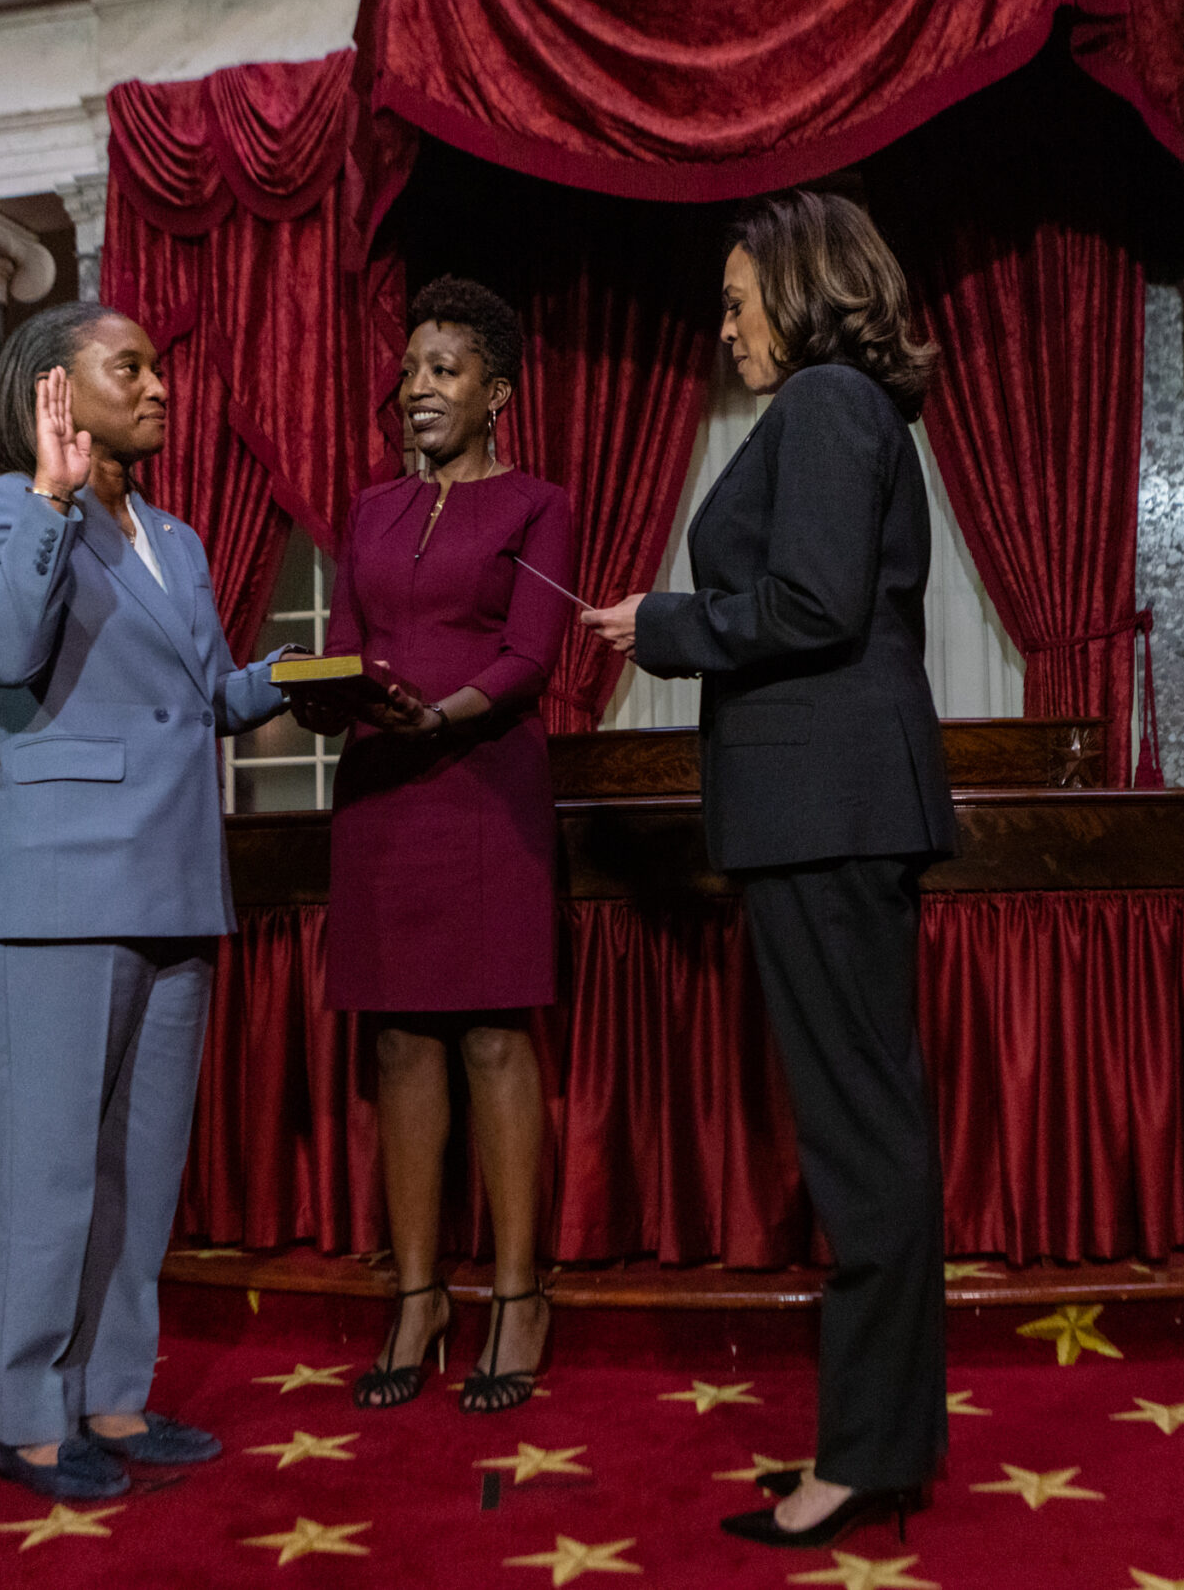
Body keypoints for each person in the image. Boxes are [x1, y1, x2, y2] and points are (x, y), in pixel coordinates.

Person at [580, 191, 955, 1548]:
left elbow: (811, 606)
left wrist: (663, 623)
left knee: (863, 1144)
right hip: (838, 806)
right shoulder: (851, 410)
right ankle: (885, 1440)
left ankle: (864, 1456)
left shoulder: (828, 406)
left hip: (830, 807)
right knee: (874, 1133)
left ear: (799, 294)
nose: (727, 326)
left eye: (740, 302)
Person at [0, 301, 292, 1500]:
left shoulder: (180, 539)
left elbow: (209, 695)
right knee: (52, 1172)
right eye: (129, 368)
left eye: (159, 369)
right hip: (63, 888)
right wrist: (49, 499)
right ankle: (30, 1421)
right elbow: (1, 648)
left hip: (176, 881)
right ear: (55, 389)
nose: (159, 388)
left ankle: (113, 1396)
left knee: (142, 1174)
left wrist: (301, 675)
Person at [301, 275, 573, 1414]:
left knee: (494, 1044)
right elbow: (349, 644)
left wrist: (442, 714)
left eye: (444, 369)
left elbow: (532, 653)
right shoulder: (365, 513)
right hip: (380, 797)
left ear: (496, 393)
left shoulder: (537, 504)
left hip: (484, 789)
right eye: (410, 369)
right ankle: (417, 1297)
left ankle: (517, 1296)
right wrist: (321, 696)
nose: (417, 387)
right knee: (401, 1044)